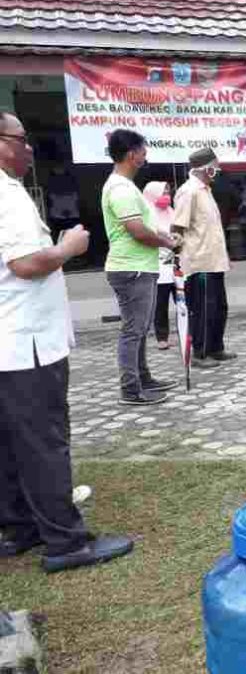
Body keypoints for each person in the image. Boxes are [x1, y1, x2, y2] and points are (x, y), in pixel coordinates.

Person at [0, 112, 134, 573]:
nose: (29, 148)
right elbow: (26, 263)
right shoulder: (7, 194)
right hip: (24, 343)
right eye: (21, 140)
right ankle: (65, 541)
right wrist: (69, 248)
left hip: (8, 343)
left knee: (10, 443)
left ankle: (18, 528)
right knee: (43, 443)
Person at [101, 129, 179, 405]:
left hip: (138, 267)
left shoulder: (125, 186)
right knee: (133, 330)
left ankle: (143, 378)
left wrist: (164, 236)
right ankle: (131, 389)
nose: (146, 157)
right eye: (143, 151)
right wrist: (167, 243)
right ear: (132, 154)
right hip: (131, 268)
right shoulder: (120, 188)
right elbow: (137, 230)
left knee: (140, 327)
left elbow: (145, 226)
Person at [173, 148, 235, 366]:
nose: (217, 170)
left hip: (214, 261)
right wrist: (178, 260)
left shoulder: (205, 190)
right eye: (215, 166)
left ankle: (216, 347)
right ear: (206, 168)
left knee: (219, 307)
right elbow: (177, 228)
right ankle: (200, 353)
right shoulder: (188, 191)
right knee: (203, 310)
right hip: (198, 263)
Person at [143, 181, 175, 350]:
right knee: (160, 304)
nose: (167, 195)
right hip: (158, 265)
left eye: (168, 191)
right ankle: (162, 337)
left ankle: (188, 332)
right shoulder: (146, 213)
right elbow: (149, 231)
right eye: (163, 192)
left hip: (175, 263)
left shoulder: (171, 211)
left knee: (184, 301)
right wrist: (165, 235)